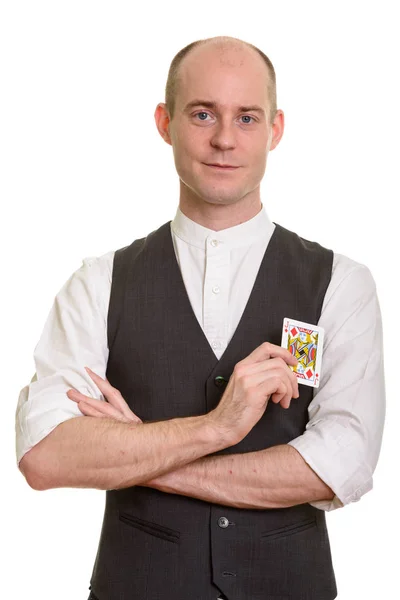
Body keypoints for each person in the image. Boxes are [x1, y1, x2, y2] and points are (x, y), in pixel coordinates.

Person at [15, 35, 385, 600]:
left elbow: (341, 465)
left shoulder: (340, 283)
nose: (224, 140)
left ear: (275, 130)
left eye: (247, 117)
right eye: (203, 113)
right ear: (165, 122)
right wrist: (217, 427)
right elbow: (45, 454)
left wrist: (140, 454)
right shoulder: (99, 282)